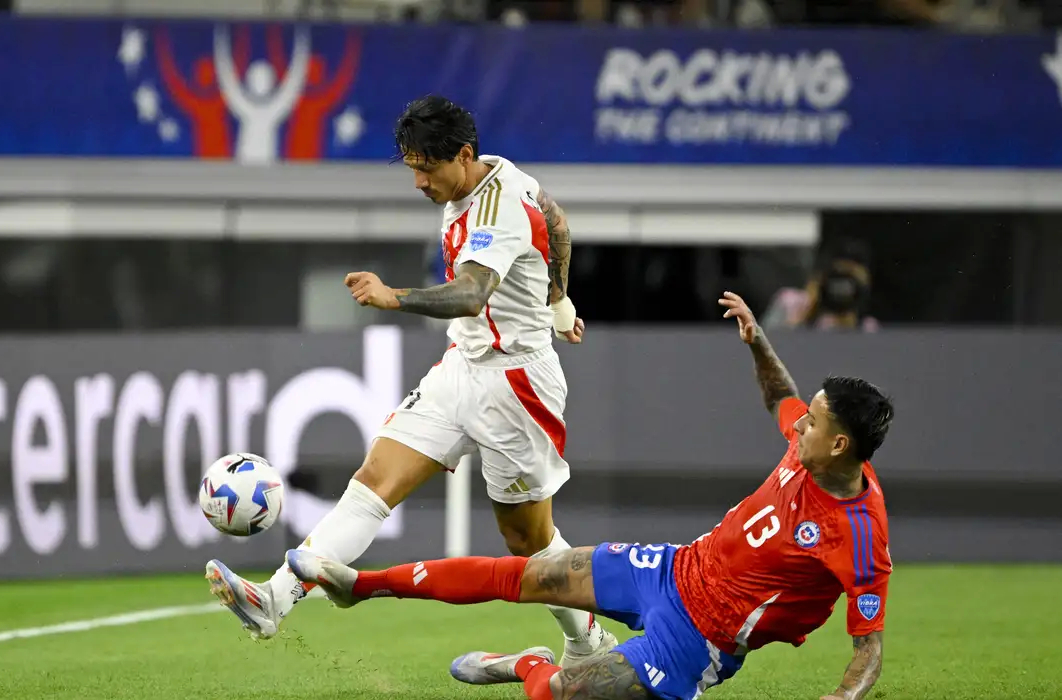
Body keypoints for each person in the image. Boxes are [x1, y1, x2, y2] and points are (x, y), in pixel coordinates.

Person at [285, 290, 894, 700]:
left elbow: (868, 651)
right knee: (526, 572)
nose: (799, 425)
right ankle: (359, 586)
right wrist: (759, 340)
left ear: (840, 445)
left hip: (696, 642)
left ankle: (525, 663)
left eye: (813, 423)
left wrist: (840, 697)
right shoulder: (805, 442)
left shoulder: (860, 535)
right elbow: (778, 397)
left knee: (557, 692)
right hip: (674, 570)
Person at [205, 94, 618, 666]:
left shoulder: (494, 207)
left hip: (517, 386)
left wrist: (393, 296)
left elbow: (473, 294)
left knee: (529, 540)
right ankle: (274, 599)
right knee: (374, 479)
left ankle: (587, 639)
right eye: (412, 168)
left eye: (426, 169)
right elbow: (554, 218)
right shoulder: (496, 175)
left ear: (462, 155)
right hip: (462, 367)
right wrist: (558, 297)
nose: (418, 182)